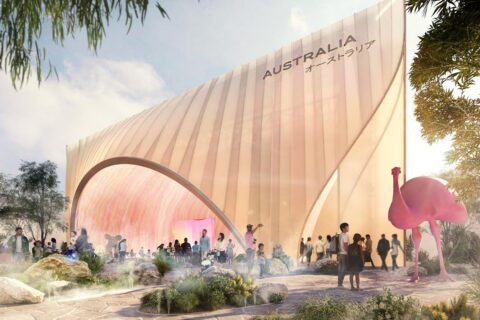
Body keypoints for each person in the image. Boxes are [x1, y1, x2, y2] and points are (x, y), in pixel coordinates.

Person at [337, 222, 350, 288]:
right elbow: (345, 246)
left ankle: (339, 283)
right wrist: (349, 253)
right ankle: (340, 283)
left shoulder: (340, 235)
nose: (348, 228)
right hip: (344, 254)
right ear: (343, 228)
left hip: (340, 254)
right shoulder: (345, 235)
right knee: (344, 269)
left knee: (340, 269)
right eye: (347, 227)